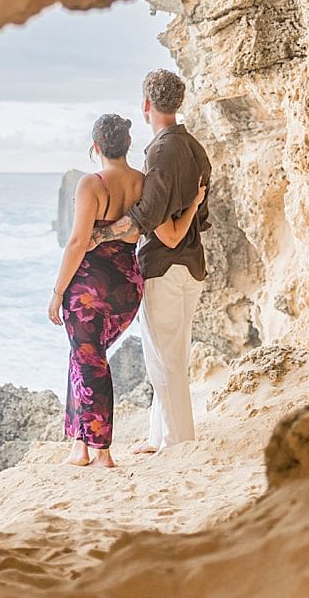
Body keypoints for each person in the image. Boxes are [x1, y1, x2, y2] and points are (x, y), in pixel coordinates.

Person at [47, 113, 205, 467]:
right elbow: (170, 235)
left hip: (89, 287)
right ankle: (79, 445)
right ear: (128, 145)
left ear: (96, 147)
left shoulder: (90, 184)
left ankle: (101, 452)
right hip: (127, 288)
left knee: (91, 360)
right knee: (83, 355)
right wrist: (193, 204)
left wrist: (58, 292)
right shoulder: (145, 183)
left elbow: (76, 243)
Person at [87, 70, 212, 454]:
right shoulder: (194, 147)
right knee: (169, 353)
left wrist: (101, 235)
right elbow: (197, 211)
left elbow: (148, 215)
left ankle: (178, 443)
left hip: (166, 267)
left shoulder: (160, 151)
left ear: (146, 106)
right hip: (192, 265)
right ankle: (160, 437)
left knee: (164, 360)